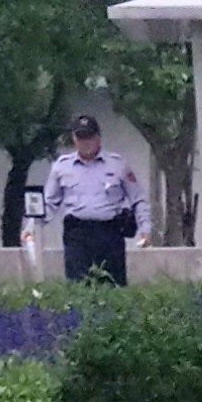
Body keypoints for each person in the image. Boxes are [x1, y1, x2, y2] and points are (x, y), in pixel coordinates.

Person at [28, 115, 144, 283]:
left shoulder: (117, 164)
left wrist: (145, 229)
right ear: (74, 139)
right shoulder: (62, 166)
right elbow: (49, 203)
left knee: (112, 286)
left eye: (89, 137)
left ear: (98, 137)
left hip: (109, 232)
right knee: (79, 285)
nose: (85, 142)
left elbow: (137, 198)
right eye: (80, 137)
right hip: (77, 233)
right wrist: (32, 227)